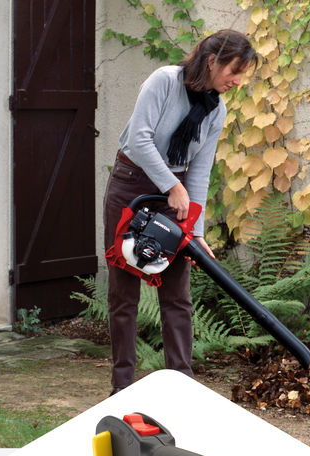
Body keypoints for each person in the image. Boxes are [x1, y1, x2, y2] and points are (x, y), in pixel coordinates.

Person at [103, 29, 257, 394]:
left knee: (177, 294)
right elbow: (139, 138)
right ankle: (121, 386)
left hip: (176, 196)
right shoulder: (164, 82)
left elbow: (200, 171)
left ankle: (181, 387)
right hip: (131, 185)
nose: (237, 81)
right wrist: (171, 186)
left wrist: (197, 231)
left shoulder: (215, 108)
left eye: (242, 74)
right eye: (234, 70)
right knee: (123, 293)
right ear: (212, 61)